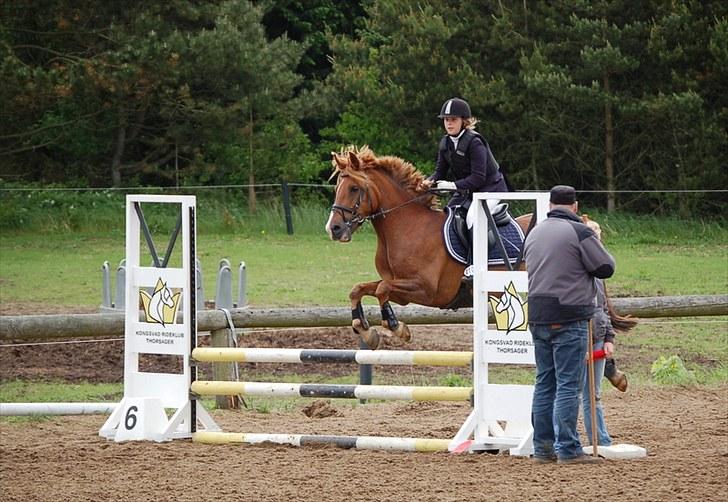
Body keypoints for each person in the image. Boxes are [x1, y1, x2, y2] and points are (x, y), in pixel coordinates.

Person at [524, 185, 616, 465]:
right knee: (568, 385)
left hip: (538, 314)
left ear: (551, 205)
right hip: (570, 316)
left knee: (544, 383)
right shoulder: (580, 231)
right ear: (575, 207)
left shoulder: (534, 232)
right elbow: (606, 267)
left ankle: (542, 449)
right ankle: (569, 449)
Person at [422, 97, 509, 207]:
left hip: (490, 189)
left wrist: (452, 186)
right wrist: (429, 181)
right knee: (449, 213)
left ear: (463, 121)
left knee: (473, 217)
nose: (449, 124)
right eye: (446, 119)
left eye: (453, 119)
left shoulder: (475, 142)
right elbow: (440, 172)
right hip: (468, 191)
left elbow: (478, 178)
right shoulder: (445, 143)